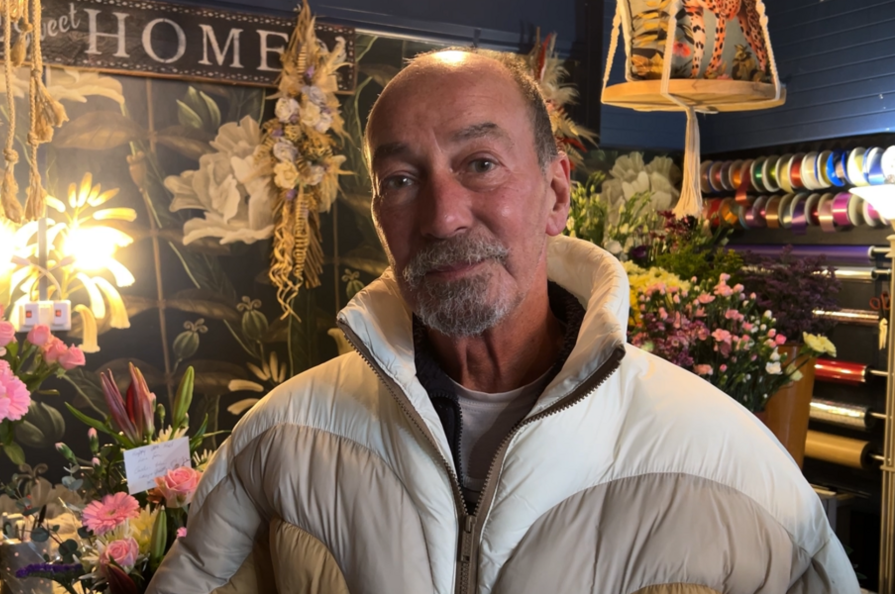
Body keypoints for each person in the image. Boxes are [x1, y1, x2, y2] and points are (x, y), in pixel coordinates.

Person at [147, 48, 858, 594]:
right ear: (379, 218)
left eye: (480, 163)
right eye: (401, 180)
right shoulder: (282, 437)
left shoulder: (727, 462)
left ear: (554, 196)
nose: (443, 214)